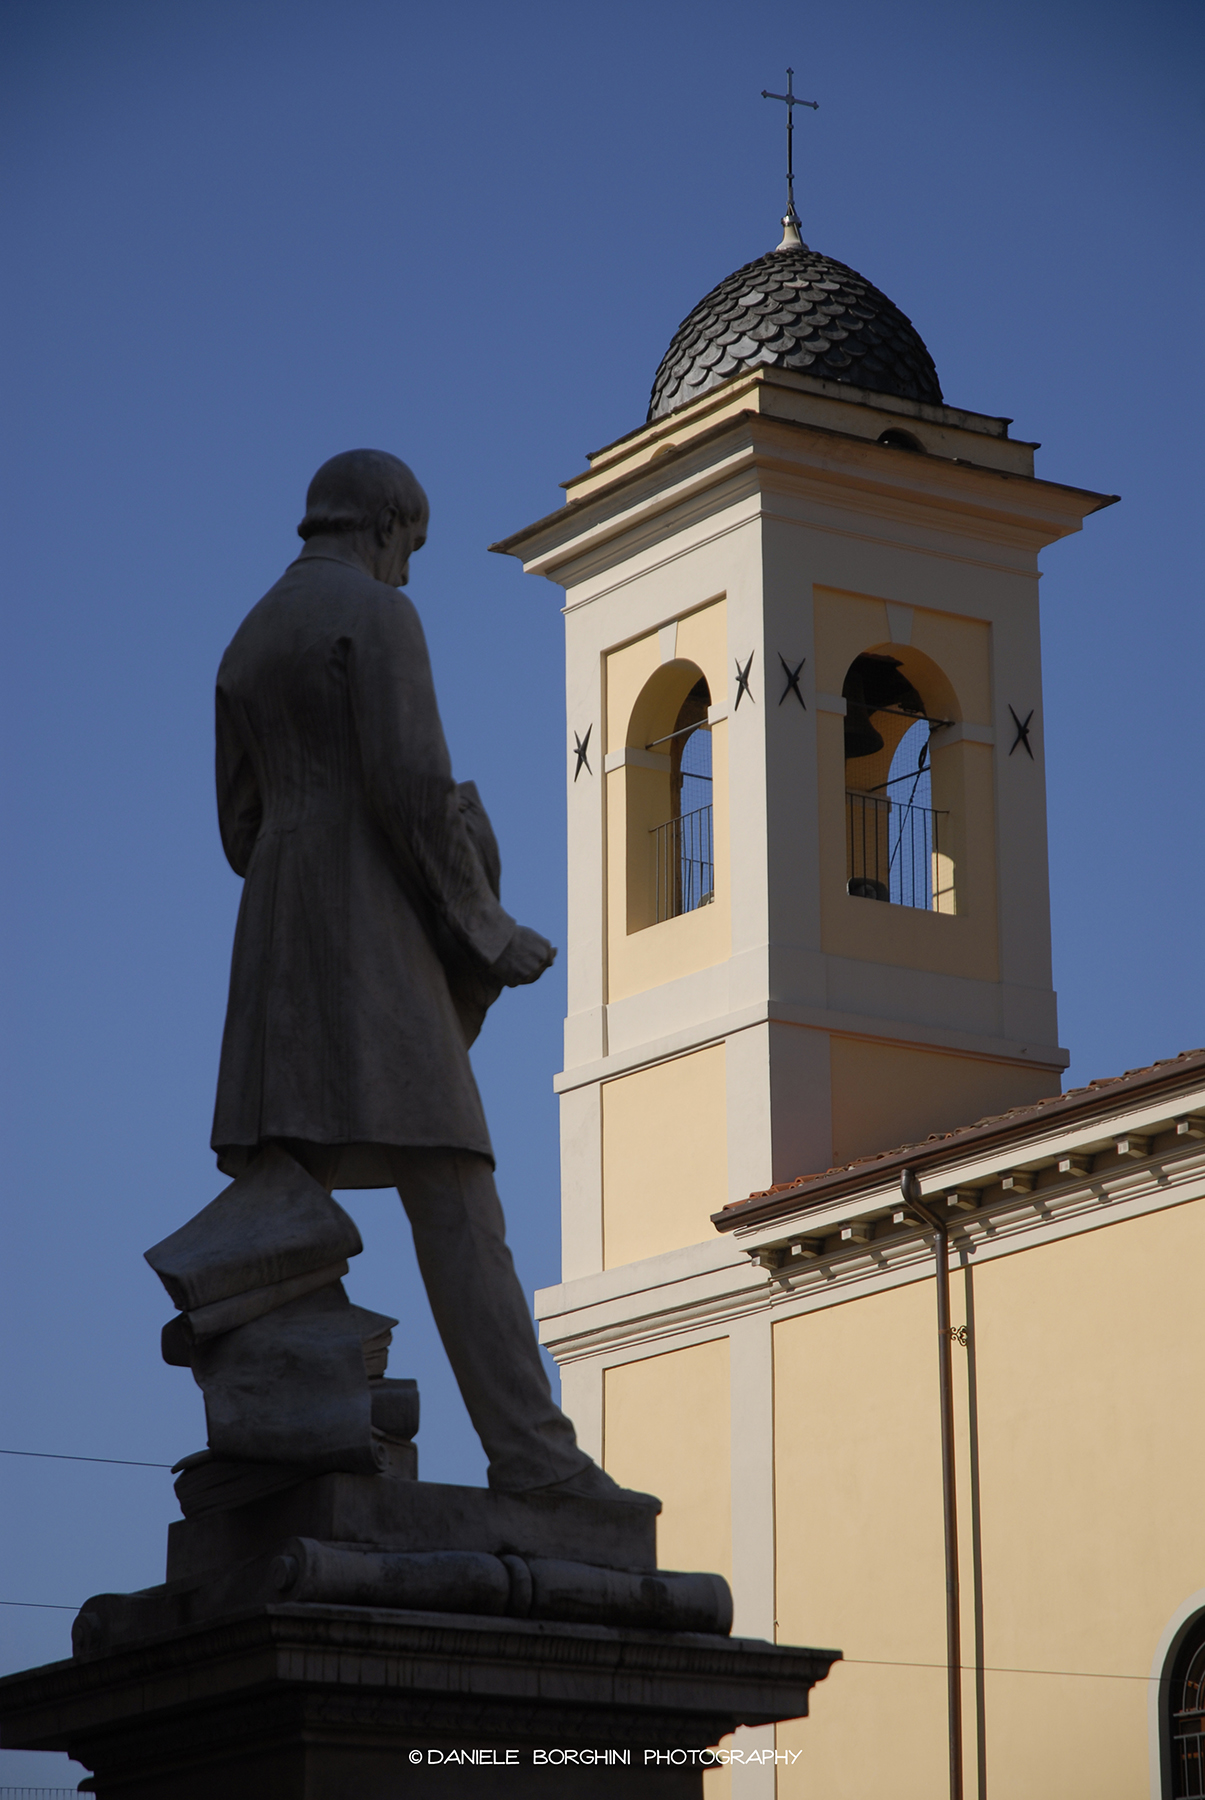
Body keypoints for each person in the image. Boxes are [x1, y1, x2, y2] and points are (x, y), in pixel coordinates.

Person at [211, 449, 631, 1502]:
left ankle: (270, 1456)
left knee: (282, 1199)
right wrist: (488, 930)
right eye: (414, 549)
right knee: (455, 1193)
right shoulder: (376, 617)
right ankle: (535, 1459)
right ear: (388, 526)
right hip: (369, 935)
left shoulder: (250, 636)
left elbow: (237, 824)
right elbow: (411, 785)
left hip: (274, 937)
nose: (409, 573)